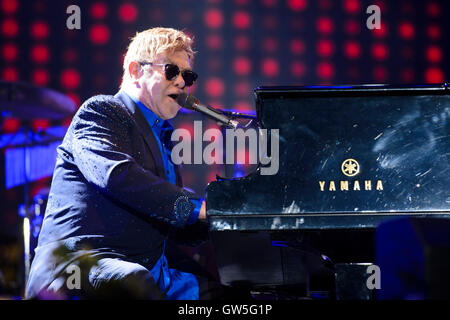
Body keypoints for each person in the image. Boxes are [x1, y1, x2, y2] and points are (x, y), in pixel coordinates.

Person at [26, 27, 220, 300]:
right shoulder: (101, 111)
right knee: (134, 282)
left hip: (147, 269)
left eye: (187, 76)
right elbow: (118, 176)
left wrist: (231, 218)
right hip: (81, 266)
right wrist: (197, 208)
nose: (181, 83)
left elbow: (169, 220)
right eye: (171, 71)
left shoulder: (164, 137)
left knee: (227, 292)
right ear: (135, 70)